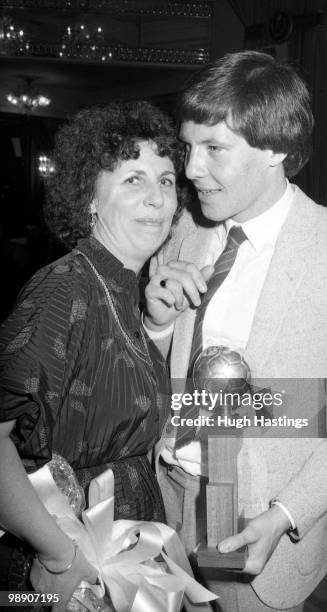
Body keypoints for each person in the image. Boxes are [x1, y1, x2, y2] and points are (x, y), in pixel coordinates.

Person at [143, 51, 327, 611]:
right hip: (165, 499)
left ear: (276, 148)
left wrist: (285, 514)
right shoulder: (185, 230)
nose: (190, 170)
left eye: (214, 149)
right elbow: (152, 368)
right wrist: (156, 324)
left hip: (260, 529)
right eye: (189, 147)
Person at [0, 100, 185, 609]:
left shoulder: (128, 286)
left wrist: (159, 327)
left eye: (167, 180)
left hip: (130, 542)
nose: (158, 198)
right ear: (90, 198)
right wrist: (60, 555)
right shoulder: (63, 290)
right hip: (70, 551)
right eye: (133, 180)